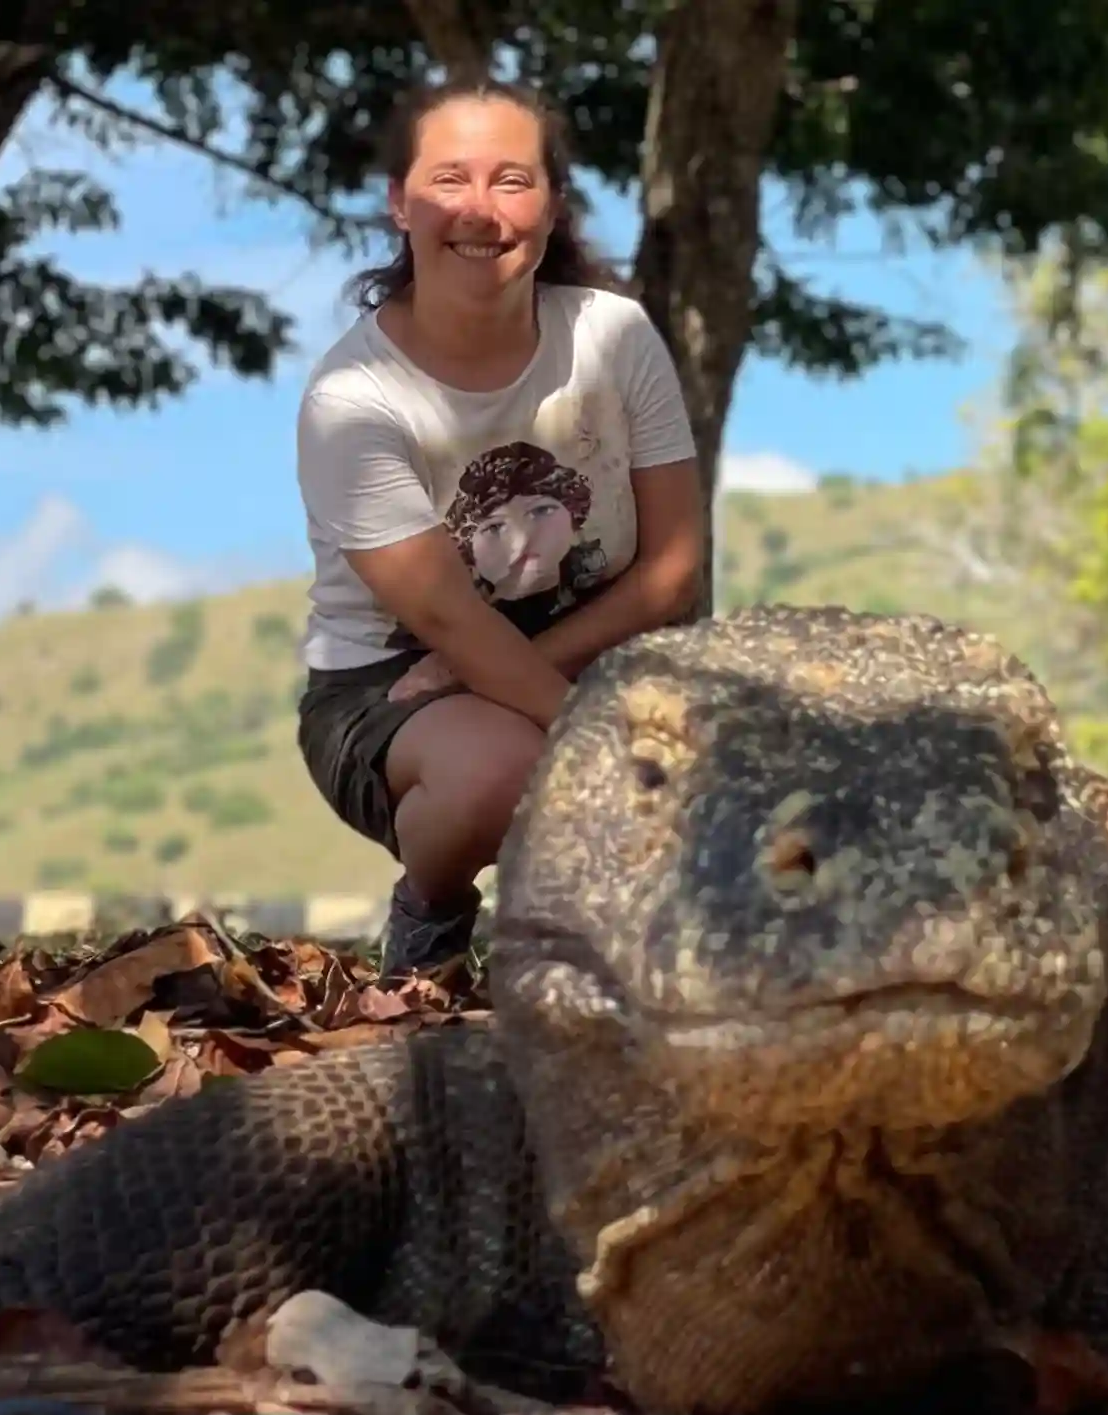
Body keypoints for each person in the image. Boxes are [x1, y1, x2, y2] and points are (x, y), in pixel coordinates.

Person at [291, 76, 707, 980]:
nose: (480, 210)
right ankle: (430, 920)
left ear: (553, 208)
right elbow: (447, 624)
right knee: (508, 768)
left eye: (512, 181)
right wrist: (601, 744)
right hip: (396, 687)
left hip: (599, 647)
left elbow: (672, 572)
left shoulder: (615, 337)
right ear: (399, 203)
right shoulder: (352, 401)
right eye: (449, 180)